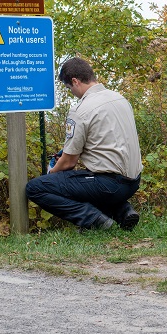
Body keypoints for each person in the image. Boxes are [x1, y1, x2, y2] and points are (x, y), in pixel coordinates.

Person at [26, 57, 142, 231]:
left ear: (75, 81)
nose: (71, 92)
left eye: (68, 88)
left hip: (109, 185)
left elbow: (69, 162)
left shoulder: (81, 110)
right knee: (83, 181)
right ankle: (122, 210)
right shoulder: (120, 99)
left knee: (36, 188)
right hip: (133, 182)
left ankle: (94, 220)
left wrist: (51, 174)